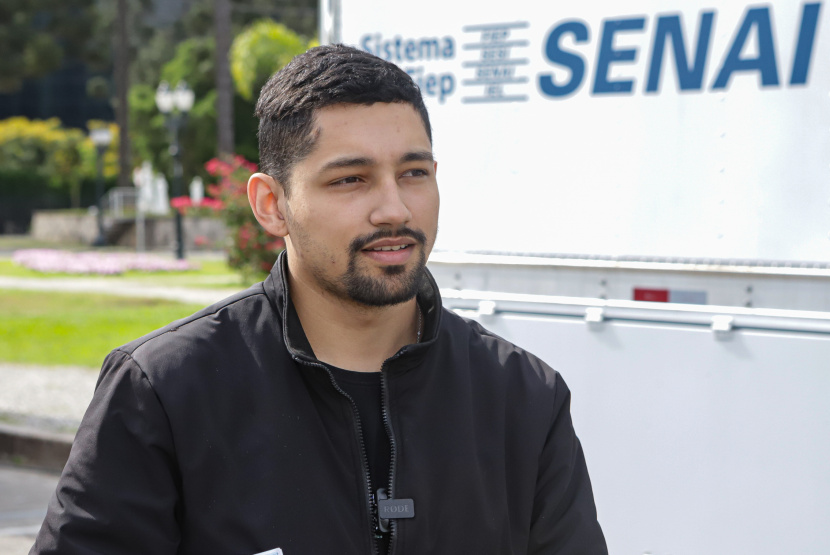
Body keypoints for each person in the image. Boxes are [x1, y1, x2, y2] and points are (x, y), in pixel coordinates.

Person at [32, 44, 607, 555]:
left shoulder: (523, 397)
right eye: (350, 179)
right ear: (270, 204)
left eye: (413, 173)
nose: (394, 209)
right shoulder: (164, 391)